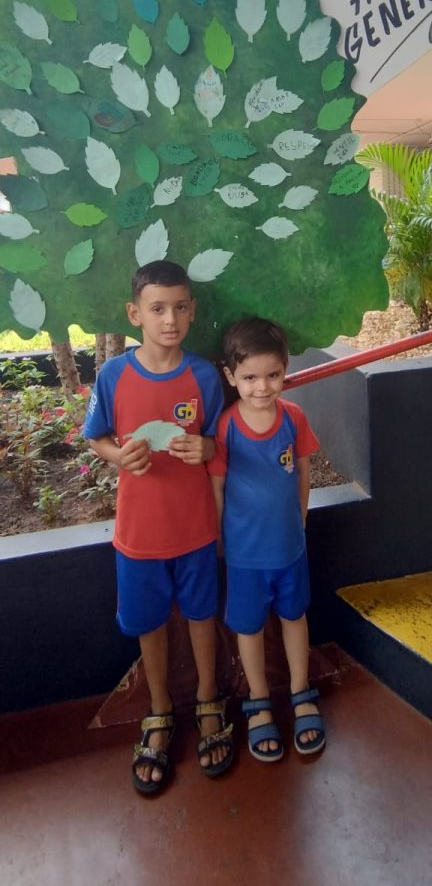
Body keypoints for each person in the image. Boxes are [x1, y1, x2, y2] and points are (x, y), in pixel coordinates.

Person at [83, 259, 233, 794]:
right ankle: (160, 709)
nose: (170, 319)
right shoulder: (113, 375)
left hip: (196, 529)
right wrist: (119, 456)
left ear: (192, 311)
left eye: (180, 308)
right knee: (148, 622)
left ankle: (209, 700)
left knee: (201, 614)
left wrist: (207, 447)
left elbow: (220, 440)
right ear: (135, 314)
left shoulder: (204, 376)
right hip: (138, 535)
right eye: (158, 309)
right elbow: (97, 437)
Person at [209, 316, 326, 763]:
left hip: (290, 549)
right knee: (249, 627)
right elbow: (217, 487)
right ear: (231, 376)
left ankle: (301, 693)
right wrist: (219, 539)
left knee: (295, 616)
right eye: (250, 377)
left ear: (285, 370)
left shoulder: (294, 418)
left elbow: (303, 475)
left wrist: (301, 520)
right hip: (244, 556)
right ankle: (259, 703)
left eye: (273, 375)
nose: (262, 387)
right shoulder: (226, 427)